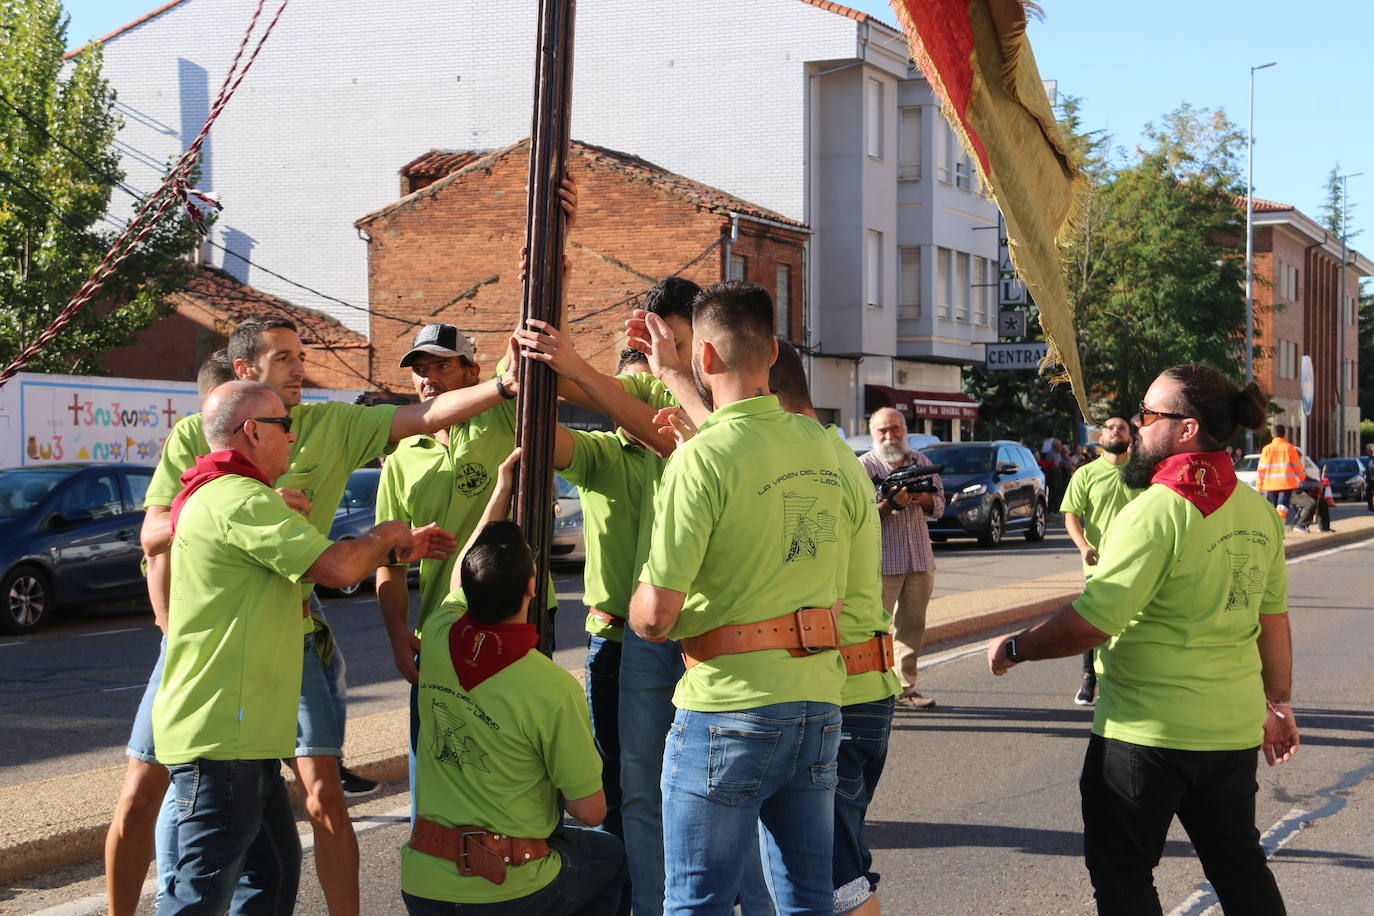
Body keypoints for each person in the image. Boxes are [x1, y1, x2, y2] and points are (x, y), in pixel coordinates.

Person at [108, 316, 524, 916]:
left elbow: (424, 418)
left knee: (299, 819)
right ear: (246, 376)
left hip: (290, 634)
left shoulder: (329, 424)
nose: (301, 369)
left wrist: (506, 386)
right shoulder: (207, 455)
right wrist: (241, 504)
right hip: (207, 653)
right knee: (156, 798)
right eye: (284, 358)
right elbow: (154, 537)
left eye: (301, 355)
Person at [986, 364, 1298, 914]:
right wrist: (1278, 704)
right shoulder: (1257, 512)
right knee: (1240, 870)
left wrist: (1016, 647)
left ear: (1186, 429)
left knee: (1123, 874)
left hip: (1145, 736)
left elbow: (1093, 621)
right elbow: (1272, 621)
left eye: (1149, 414)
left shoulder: (1154, 510)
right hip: (1229, 733)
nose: (1136, 423)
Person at [154, 380, 454, 914]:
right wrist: (384, 537)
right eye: (284, 425)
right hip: (225, 736)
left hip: (246, 735)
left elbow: (326, 561)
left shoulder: (228, 493)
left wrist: (379, 545)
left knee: (270, 875)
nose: (293, 437)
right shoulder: (239, 499)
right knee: (200, 895)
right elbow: (338, 569)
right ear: (251, 431)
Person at [630, 280, 847, 914]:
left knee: (696, 900)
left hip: (729, 703)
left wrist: (644, 605)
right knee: (808, 898)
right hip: (816, 698)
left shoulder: (700, 461)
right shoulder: (824, 447)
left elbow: (655, 615)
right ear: (773, 351)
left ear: (704, 357)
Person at [402, 451, 626, 915]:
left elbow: (466, 563)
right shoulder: (551, 687)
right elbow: (590, 812)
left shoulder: (441, 634)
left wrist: (502, 488)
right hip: (507, 888)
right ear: (531, 589)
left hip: (423, 882)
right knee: (608, 856)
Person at [769, 340, 899, 916]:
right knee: (830, 868)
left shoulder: (810, 463)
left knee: (836, 874)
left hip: (841, 694)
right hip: (860, 687)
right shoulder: (831, 455)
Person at [858, 407, 944, 709]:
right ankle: (871, 689)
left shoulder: (922, 462)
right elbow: (858, 518)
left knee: (912, 627)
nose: (890, 435)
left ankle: (905, 689)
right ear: (873, 434)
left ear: (904, 430)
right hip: (883, 562)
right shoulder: (863, 467)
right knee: (874, 627)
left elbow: (941, 504)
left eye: (895, 428)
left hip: (919, 558)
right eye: (883, 430)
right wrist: (890, 505)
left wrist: (924, 499)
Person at [1059, 417, 1143, 706]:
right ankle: (1088, 679)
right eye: (1109, 427)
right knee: (1096, 622)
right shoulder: (1086, 474)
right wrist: (1083, 546)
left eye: (1121, 427)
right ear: (1100, 436)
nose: (1115, 431)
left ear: (1130, 436)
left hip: (1139, 562)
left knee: (1137, 624)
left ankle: (1130, 680)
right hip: (1100, 564)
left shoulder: (1142, 472)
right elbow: (1070, 514)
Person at [1255, 424, 1303, 520]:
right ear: (1284, 434)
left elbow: (1261, 470)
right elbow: (1298, 467)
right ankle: (1280, 529)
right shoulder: (1289, 448)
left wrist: (1259, 486)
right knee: (1282, 508)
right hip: (1285, 484)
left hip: (1269, 485)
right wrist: (1302, 478)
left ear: (1272, 435)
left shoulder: (1266, 449)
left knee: (1271, 509)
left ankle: (1272, 530)